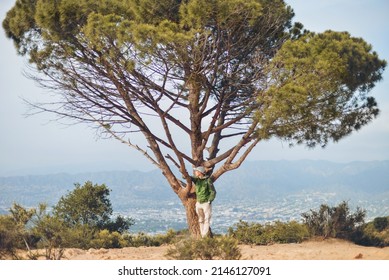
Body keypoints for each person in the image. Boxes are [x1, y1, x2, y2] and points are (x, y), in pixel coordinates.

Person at [191, 166, 216, 238]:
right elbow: (185, 177)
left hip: (206, 203)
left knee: (207, 219)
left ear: (200, 172)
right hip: (198, 203)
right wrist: (184, 173)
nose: (195, 172)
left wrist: (209, 200)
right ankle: (202, 235)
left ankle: (204, 235)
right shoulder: (197, 180)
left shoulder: (208, 180)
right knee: (200, 220)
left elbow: (213, 191)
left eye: (196, 171)